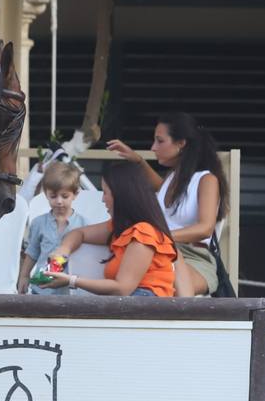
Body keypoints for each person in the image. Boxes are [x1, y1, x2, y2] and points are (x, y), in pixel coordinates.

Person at [107, 113, 228, 297]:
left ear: (181, 143)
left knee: (149, 286)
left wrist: (157, 238)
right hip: (160, 253)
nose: (153, 147)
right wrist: (137, 160)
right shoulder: (172, 178)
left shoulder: (206, 179)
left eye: (160, 141)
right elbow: (160, 187)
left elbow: (205, 228)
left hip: (193, 258)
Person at [41, 162, 177, 297]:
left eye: (105, 192)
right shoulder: (120, 227)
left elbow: (122, 289)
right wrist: (63, 251)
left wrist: (71, 280)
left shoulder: (144, 233)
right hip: (129, 303)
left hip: (145, 306)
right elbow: (79, 233)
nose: (102, 199)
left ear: (121, 195)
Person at [17, 160, 87, 295]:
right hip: (42, 289)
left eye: (65, 196)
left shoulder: (84, 224)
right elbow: (32, 252)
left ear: (75, 194)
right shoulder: (38, 222)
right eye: (53, 196)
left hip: (71, 291)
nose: (59, 201)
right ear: (46, 195)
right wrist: (24, 276)